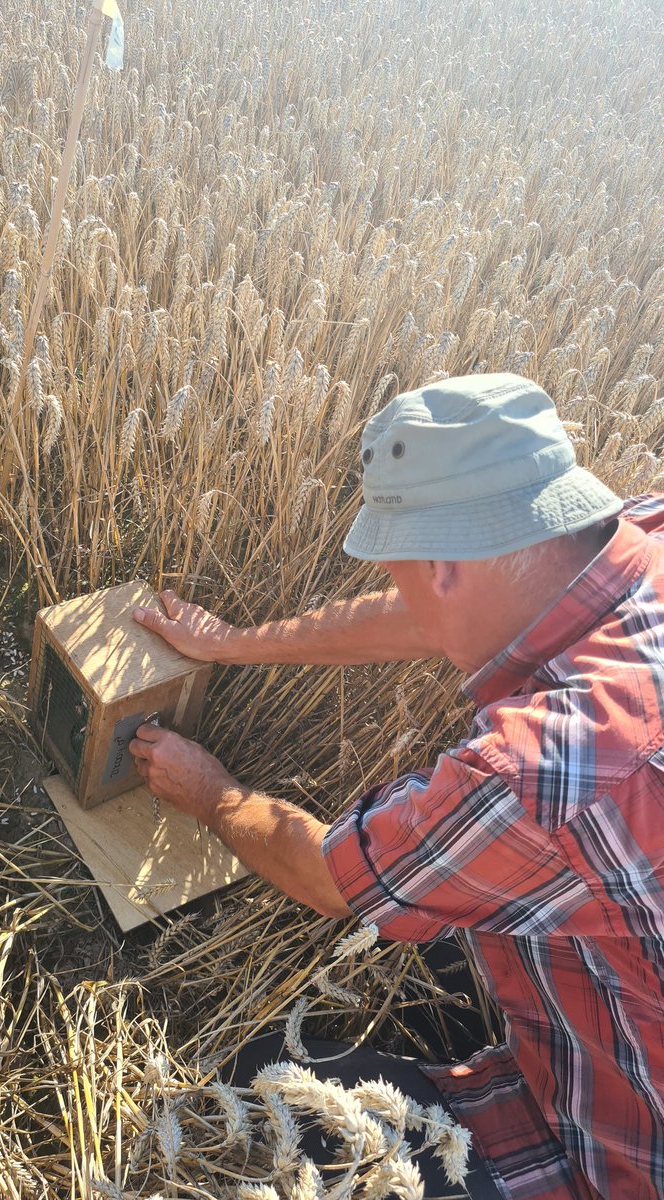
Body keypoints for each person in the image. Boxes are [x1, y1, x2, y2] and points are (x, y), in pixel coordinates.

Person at [129, 374, 664, 1200]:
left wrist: (212, 793)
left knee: (252, 1097)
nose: (401, 589)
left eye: (401, 566)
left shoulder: (542, 771)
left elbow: (331, 875)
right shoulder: (620, 541)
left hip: (621, 1151)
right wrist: (228, 645)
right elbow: (422, 614)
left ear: (445, 564)